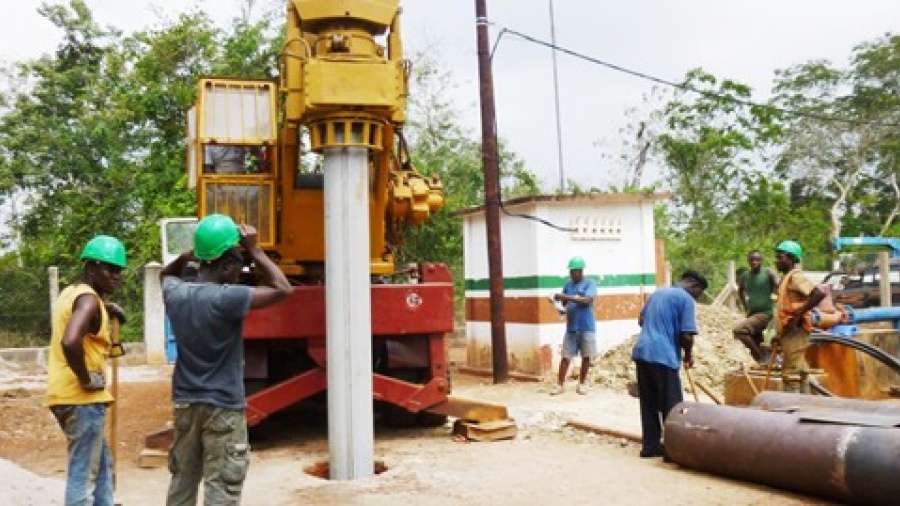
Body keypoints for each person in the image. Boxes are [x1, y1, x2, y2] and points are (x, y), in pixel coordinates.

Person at [162, 214, 292, 505]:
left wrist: (191, 253)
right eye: (238, 267)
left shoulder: (175, 292)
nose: (239, 274)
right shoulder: (228, 299)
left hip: (185, 403)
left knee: (182, 480)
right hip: (223, 405)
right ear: (226, 266)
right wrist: (255, 250)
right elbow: (283, 289)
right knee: (221, 487)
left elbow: (166, 274)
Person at [45, 235, 128, 506]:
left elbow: (81, 313)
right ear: (91, 268)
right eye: (109, 269)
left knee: (102, 468)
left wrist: (106, 307)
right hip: (82, 399)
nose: (116, 275)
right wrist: (86, 378)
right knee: (83, 478)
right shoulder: (89, 301)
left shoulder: (73, 294)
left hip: (67, 397)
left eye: (119, 270)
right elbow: (70, 341)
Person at [631, 270, 707, 459]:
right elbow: (686, 335)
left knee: (649, 403)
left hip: (642, 351)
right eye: (699, 293)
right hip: (663, 355)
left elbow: (641, 320)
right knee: (672, 404)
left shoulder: (658, 293)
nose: (697, 298)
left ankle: (650, 446)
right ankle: (673, 450)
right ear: (694, 286)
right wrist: (688, 356)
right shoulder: (686, 299)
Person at [774, 240, 825, 393]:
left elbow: (818, 294)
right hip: (789, 329)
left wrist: (798, 314)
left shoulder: (796, 277)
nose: (777, 261)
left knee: (790, 372)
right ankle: (806, 402)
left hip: (797, 329)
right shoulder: (787, 278)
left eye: (780, 257)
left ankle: (793, 407)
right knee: (801, 369)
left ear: (790, 258)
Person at [550, 256, 598, 395]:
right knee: (566, 356)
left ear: (581, 271)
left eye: (574, 271)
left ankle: (582, 383)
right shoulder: (568, 285)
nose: (571, 274)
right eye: (570, 271)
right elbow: (564, 304)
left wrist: (566, 297)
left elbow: (586, 300)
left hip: (586, 326)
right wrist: (556, 301)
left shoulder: (590, 284)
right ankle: (560, 385)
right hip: (571, 327)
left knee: (587, 356)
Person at [733, 250, 780, 364]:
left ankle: (761, 358)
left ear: (761, 261)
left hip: (766, 313)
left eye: (757, 260)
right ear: (748, 261)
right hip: (752, 313)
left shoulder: (768, 272)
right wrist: (745, 306)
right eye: (752, 260)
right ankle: (765, 361)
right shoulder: (745, 276)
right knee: (756, 340)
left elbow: (779, 284)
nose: (755, 262)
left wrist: (777, 297)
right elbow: (740, 291)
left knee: (739, 331)